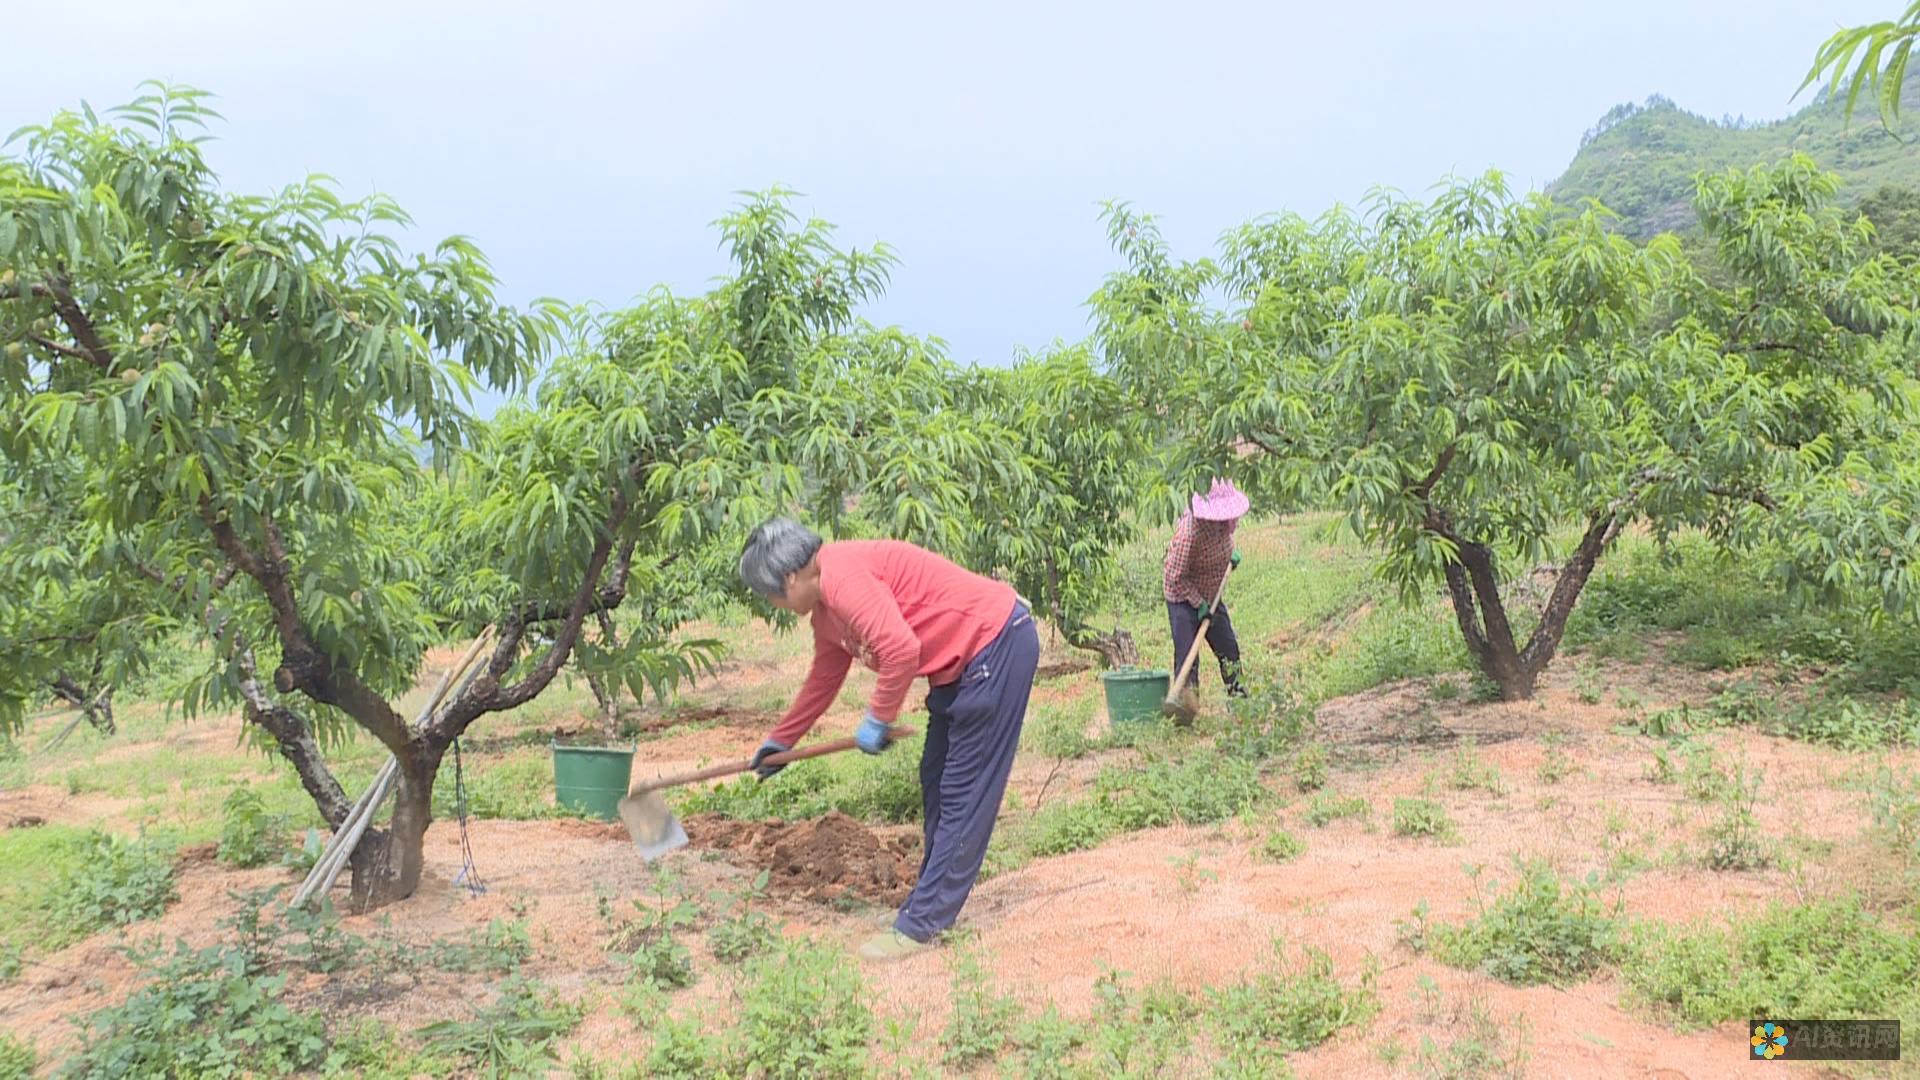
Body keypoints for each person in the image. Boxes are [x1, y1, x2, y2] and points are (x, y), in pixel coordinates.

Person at [738, 518, 1038, 960]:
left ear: (790, 577)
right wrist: (782, 742)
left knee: (961, 793)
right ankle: (927, 906)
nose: (774, 604)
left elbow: (899, 648)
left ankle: (922, 924)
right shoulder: (825, 609)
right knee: (936, 777)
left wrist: (878, 719)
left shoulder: (843, 578)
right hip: (961, 666)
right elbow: (825, 675)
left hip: (995, 644)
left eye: (771, 595)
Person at [1164, 478, 1249, 705]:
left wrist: (1231, 560)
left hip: (1212, 596)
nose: (1233, 522)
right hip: (1182, 598)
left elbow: (1223, 548)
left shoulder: (1223, 526)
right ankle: (1185, 708)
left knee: (1228, 648)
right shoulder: (1189, 533)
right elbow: (1174, 577)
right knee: (1188, 657)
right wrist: (1197, 602)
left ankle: (1240, 701)